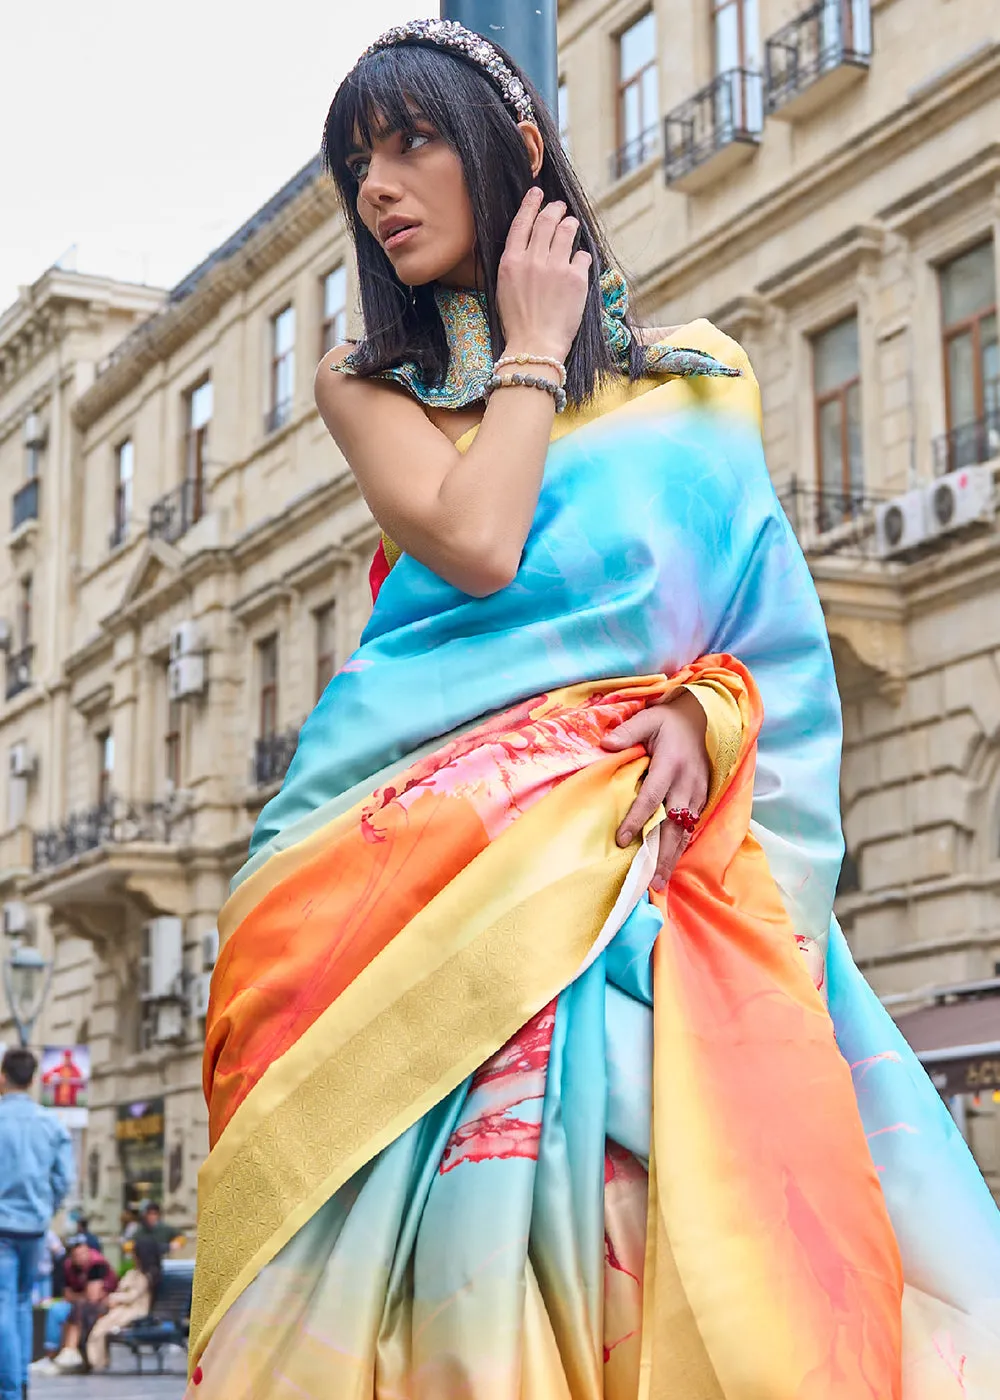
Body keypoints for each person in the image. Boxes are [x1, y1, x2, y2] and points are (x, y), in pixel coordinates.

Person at [186, 20, 1000, 1399]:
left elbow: (762, 635)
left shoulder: (696, 379)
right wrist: (535, 344)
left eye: (410, 142)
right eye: (354, 165)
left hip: (647, 874)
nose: (377, 187)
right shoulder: (366, 387)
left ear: (512, 152)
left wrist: (705, 713)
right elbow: (482, 541)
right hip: (404, 884)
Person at [0, 1047, 75, 1400]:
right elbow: (64, 1179)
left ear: (2, 1077)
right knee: (20, 1302)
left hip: (1, 1227)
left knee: (3, 1303)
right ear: (32, 1080)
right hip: (34, 1227)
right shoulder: (51, 1124)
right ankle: (22, 1382)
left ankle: (10, 1389)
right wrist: (46, 1208)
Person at [31, 1236, 118, 1376]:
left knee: (79, 1309)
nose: (80, 1257)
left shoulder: (97, 1264)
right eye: (76, 1254)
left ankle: (70, 1351)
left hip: (101, 1306)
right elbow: (67, 1294)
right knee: (56, 1310)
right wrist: (81, 1295)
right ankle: (51, 1356)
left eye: (83, 1253)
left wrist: (78, 1295)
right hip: (77, 1304)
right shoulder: (68, 1265)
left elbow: (93, 1297)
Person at [84, 1235, 161, 1373]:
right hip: (122, 1308)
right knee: (97, 1328)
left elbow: (132, 1296)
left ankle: (97, 1362)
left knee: (101, 1330)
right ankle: (95, 1360)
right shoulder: (133, 1273)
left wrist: (113, 1298)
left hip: (134, 1311)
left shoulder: (146, 1276)